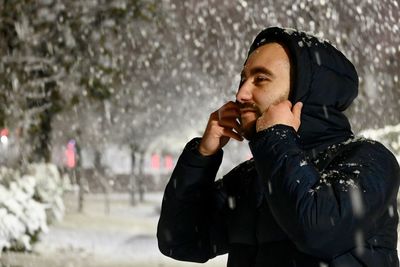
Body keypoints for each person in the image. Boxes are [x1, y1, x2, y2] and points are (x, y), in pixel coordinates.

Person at [157, 26, 400, 266]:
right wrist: (202, 156)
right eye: (243, 79)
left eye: (260, 79)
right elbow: (179, 240)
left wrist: (277, 136)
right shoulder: (253, 176)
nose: (241, 93)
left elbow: (317, 231)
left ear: (303, 92)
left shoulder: (369, 159)